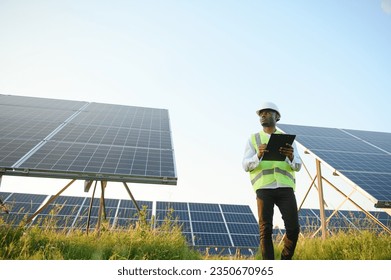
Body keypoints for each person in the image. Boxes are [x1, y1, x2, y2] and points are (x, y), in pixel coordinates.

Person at [242, 102, 302, 260]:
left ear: (277, 117)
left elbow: (298, 165)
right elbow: (245, 165)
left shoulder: (288, 139)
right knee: (265, 230)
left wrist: (290, 156)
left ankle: (285, 261)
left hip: (285, 188)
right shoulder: (253, 139)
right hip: (264, 189)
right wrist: (258, 155)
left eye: (267, 113)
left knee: (294, 229)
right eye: (261, 113)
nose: (263, 115)